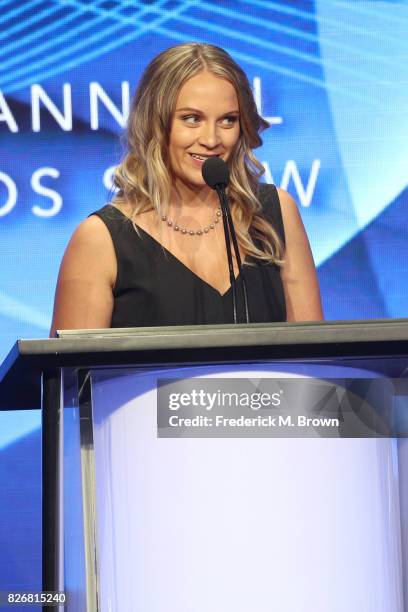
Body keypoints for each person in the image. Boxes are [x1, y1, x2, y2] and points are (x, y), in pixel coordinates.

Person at [50, 43, 322, 336]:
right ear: (155, 123)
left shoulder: (273, 213)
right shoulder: (101, 239)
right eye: (192, 119)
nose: (211, 139)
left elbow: (315, 360)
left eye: (228, 120)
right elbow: (69, 377)